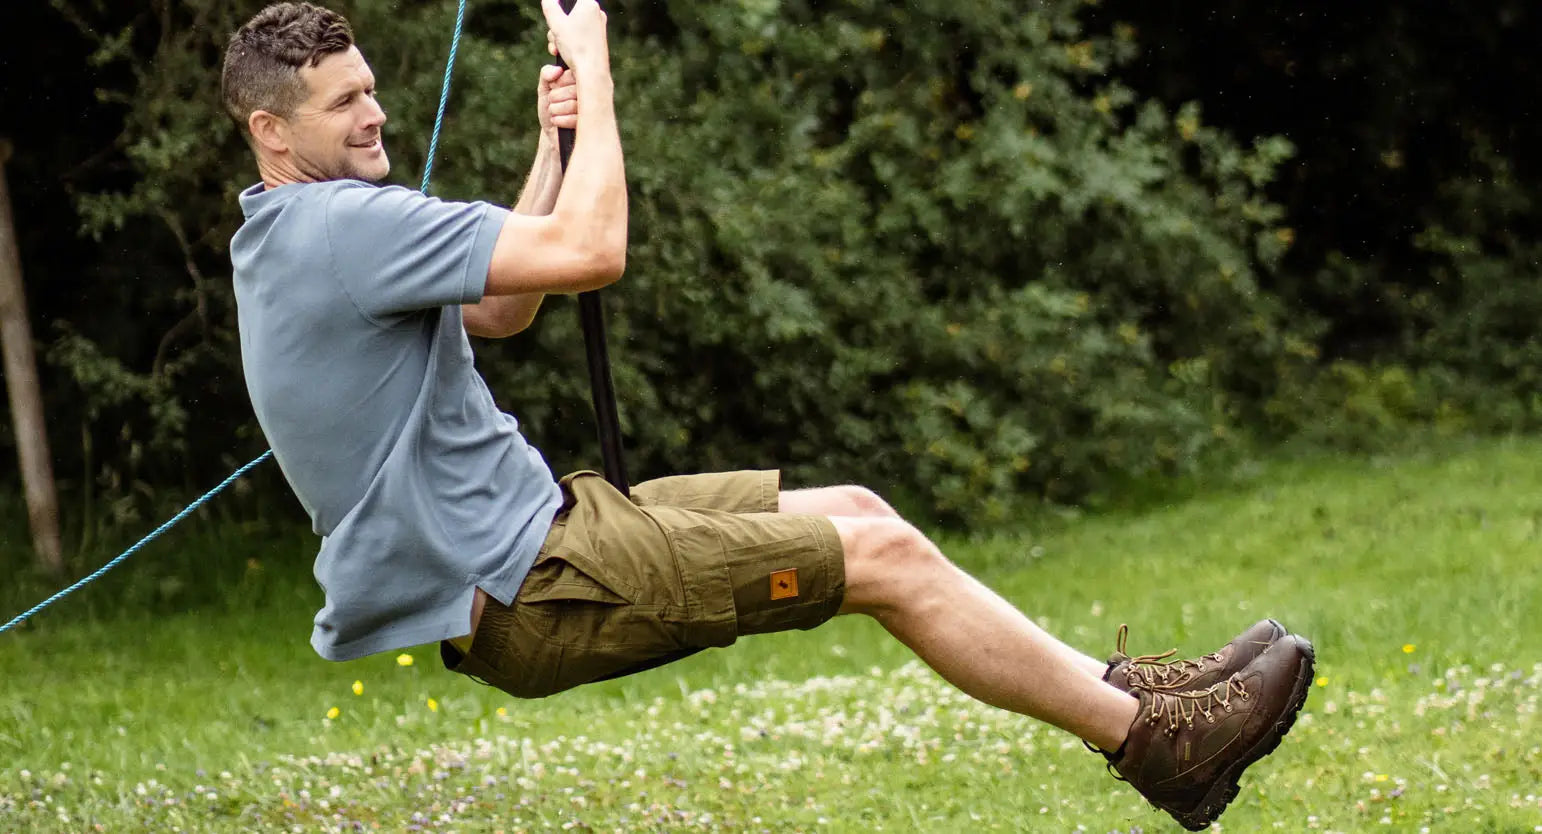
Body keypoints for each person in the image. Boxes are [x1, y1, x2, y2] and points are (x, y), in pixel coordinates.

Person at [222, 2, 1315, 829]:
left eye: (369, 88)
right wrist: (595, 79)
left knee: (854, 508)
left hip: (552, 534)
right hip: (535, 585)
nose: (376, 114)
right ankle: (1157, 746)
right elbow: (593, 253)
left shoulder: (296, 232)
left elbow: (504, 303)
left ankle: (1129, 693)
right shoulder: (343, 228)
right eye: (345, 102)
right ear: (272, 129)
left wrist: (554, 147)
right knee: (880, 555)